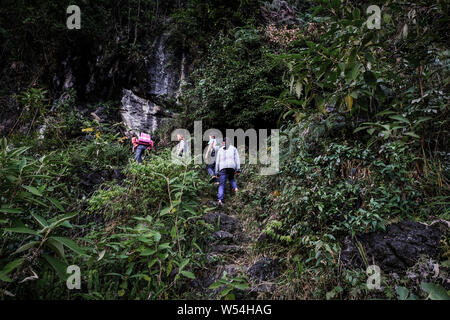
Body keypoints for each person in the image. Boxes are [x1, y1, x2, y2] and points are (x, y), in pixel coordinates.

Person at [215, 137, 241, 205]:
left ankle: (220, 200)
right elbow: (237, 159)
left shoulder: (220, 150)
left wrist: (216, 172)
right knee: (231, 179)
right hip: (232, 167)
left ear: (223, 142)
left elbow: (217, 161)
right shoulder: (234, 148)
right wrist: (238, 169)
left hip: (222, 168)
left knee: (222, 185)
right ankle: (236, 188)